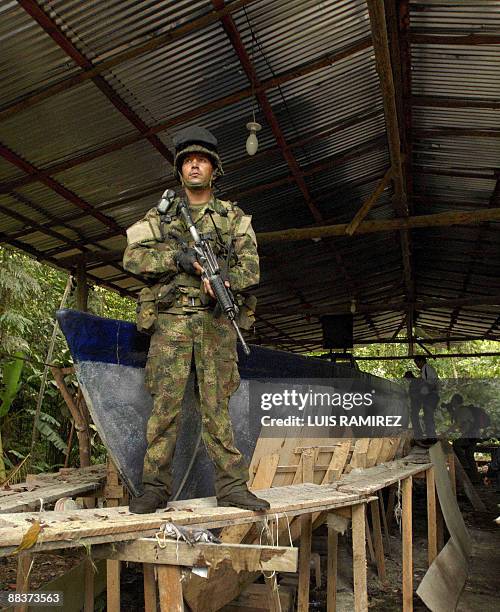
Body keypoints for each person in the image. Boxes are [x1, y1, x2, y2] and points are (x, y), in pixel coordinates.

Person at [123, 126, 270, 514]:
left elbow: (252, 270)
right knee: (165, 411)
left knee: (218, 410)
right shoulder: (161, 216)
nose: (194, 165)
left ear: (213, 169)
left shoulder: (233, 218)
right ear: (180, 168)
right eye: (188, 160)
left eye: (201, 160)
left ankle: (232, 487)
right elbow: (132, 257)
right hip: (171, 322)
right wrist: (178, 259)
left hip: (215, 324)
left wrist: (223, 281)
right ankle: (154, 489)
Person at [414, 356, 438, 438]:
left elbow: (428, 384)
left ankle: (431, 436)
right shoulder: (427, 369)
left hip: (431, 396)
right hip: (432, 396)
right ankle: (431, 435)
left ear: (421, 361)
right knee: (428, 417)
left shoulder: (426, 368)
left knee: (428, 417)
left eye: (417, 363)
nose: (417, 365)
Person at [403, 371, 423, 438]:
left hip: (416, 402)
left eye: (406, 378)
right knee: (414, 417)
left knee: (414, 417)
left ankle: (418, 433)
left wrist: (409, 395)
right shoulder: (415, 382)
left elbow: (416, 393)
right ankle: (418, 432)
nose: (406, 379)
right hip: (416, 402)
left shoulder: (415, 382)